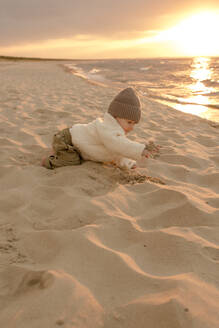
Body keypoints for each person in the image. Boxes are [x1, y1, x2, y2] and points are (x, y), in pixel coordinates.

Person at [42, 87, 159, 170]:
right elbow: (119, 145)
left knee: (77, 157)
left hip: (78, 144)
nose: (131, 127)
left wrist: (128, 163)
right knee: (71, 161)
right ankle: (49, 160)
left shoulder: (115, 133)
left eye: (134, 124)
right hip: (67, 139)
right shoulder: (107, 129)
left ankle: (59, 150)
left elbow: (116, 152)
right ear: (115, 116)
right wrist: (140, 150)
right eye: (129, 122)